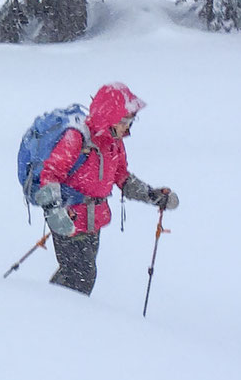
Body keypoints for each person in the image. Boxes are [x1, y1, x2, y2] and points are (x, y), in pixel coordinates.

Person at [35, 83, 177, 296]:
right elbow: (50, 174)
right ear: (109, 116)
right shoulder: (76, 138)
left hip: (93, 220)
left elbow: (121, 176)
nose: (128, 127)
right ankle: (57, 314)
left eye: (131, 120)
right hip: (69, 218)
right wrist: (55, 211)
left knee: (78, 275)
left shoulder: (114, 143)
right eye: (124, 120)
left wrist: (151, 195)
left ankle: (55, 311)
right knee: (81, 275)